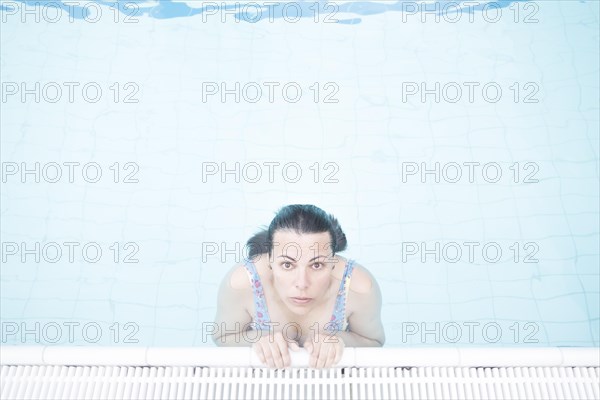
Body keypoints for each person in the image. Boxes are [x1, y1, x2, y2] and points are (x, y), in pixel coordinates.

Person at [212, 204, 385, 369]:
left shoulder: (357, 286)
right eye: (287, 265)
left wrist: (339, 340)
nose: (302, 284)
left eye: (317, 265)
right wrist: (259, 339)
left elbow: (374, 341)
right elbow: (222, 337)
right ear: (270, 261)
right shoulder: (244, 281)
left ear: (333, 263)